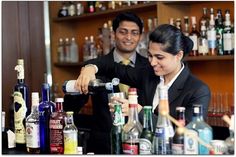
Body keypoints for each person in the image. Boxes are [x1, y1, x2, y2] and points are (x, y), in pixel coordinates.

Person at [75, 24, 211, 124]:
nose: (152, 62)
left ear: (178, 55)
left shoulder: (198, 90)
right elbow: (111, 66)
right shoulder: (148, 75)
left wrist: (138, 112)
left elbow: (187, 134)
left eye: (159, 57)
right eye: (150, 56)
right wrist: (90, 68)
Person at [73, 12, 148, 154]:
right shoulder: (95, 67)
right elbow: (73, 106)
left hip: (140, 144)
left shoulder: (149, 67)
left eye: (134, 33)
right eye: (123, 32)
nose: (129, 38)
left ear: (140, 36)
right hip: (103, 146)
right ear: (113, 34)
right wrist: (78, 86)